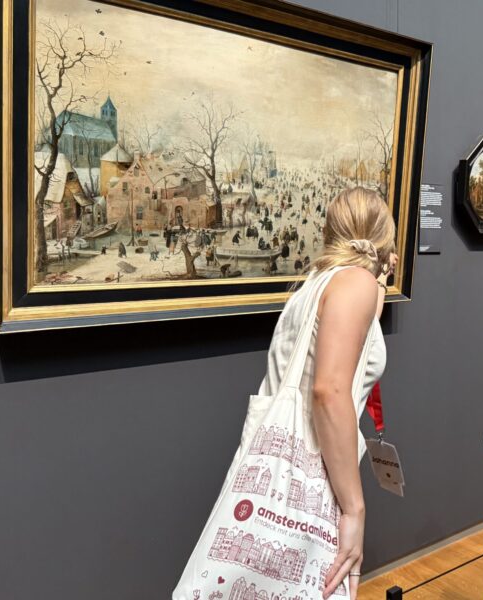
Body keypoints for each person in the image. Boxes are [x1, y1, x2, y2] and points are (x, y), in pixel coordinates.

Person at [173, 188, 397, 600]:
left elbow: (353, 337)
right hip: (314, 475)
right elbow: (329, 391)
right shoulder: (355, 284)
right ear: (384, 238)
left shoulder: (316, 284)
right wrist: (354, 509)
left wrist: (378, 281)